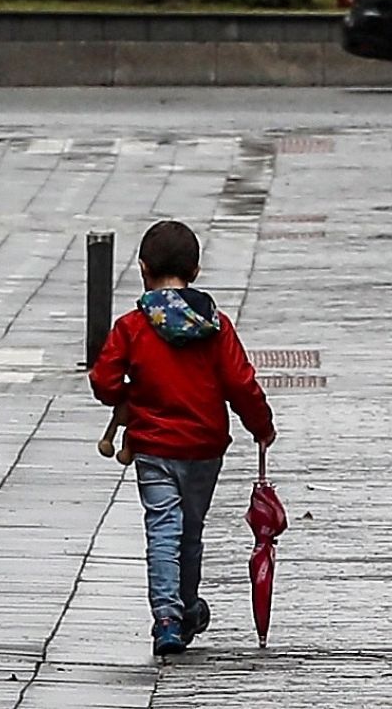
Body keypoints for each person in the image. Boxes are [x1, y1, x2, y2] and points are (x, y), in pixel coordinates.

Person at [88, 220, 277, 656]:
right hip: (205, 447)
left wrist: (125, 395)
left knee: (162, 529)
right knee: (190, 531)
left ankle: (169, 617)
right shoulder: (216, 325)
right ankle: (188, 605)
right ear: (194, 270)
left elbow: (103, 380)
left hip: (154, 446)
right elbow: (240, 383)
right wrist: (261, 426)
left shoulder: (133, 326)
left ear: (142, 269)